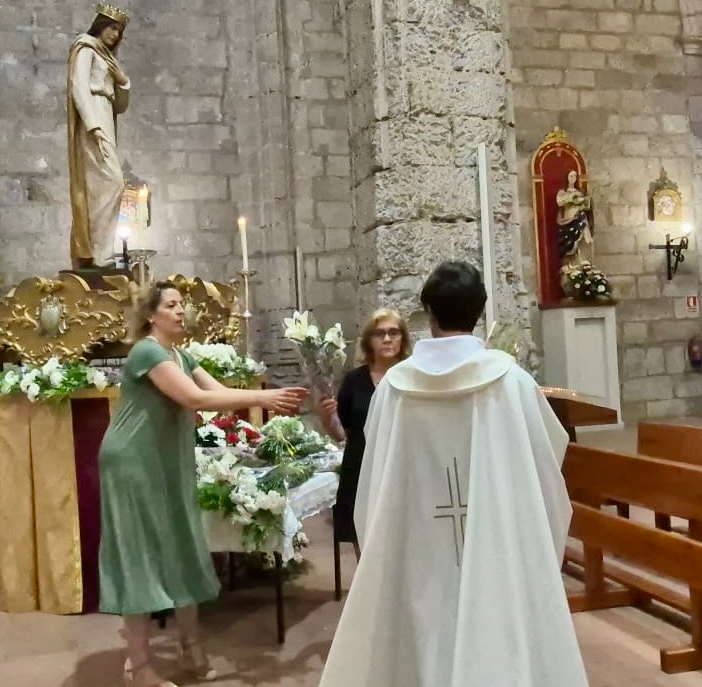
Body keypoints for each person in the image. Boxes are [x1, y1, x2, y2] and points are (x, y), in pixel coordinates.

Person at [319, 261, 588, 687]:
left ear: (428, 313)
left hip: (415, 551)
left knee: (421, 638)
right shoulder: (512, 382)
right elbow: (546, 471)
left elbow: (374, 481)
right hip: (497, 549)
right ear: (479, 311)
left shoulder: (393, 389)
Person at [99, 282, 307, 687]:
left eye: (182, 305)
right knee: (140, 555)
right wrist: (265, 400)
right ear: (150, 315)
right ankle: (139, 667)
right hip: (132, 461)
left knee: (181, 543)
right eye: (171, 305)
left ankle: (190, 647)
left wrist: (267, 396)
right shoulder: (147, 351)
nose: (181, 311)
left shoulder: (182, 354)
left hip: (164, 460)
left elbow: (219, 392)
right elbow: (195, 400)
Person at [316, 309, 412, 553]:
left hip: (403, 464)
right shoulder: (354, 381)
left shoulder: (414, 375)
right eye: (380, 334)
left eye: (393, 332)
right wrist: (328, 419)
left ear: (403, 338)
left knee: (404, 538)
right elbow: (342, 435)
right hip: (361, 465)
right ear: (369, 340)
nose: (387, 339)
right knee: (364, 536)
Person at [68, 3, 131, 268]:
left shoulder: (108, 58)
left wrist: (122, 80)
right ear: (100, 25)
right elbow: (79, 87)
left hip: (105, 114)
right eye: (112, 28)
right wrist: (93, 125)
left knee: (106, 185)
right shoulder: (86, 48)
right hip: (93, 118)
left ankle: (102, 250)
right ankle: (96, 250)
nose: (115, 34)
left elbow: (121, 106)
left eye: (119, 31)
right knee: (111, 182)